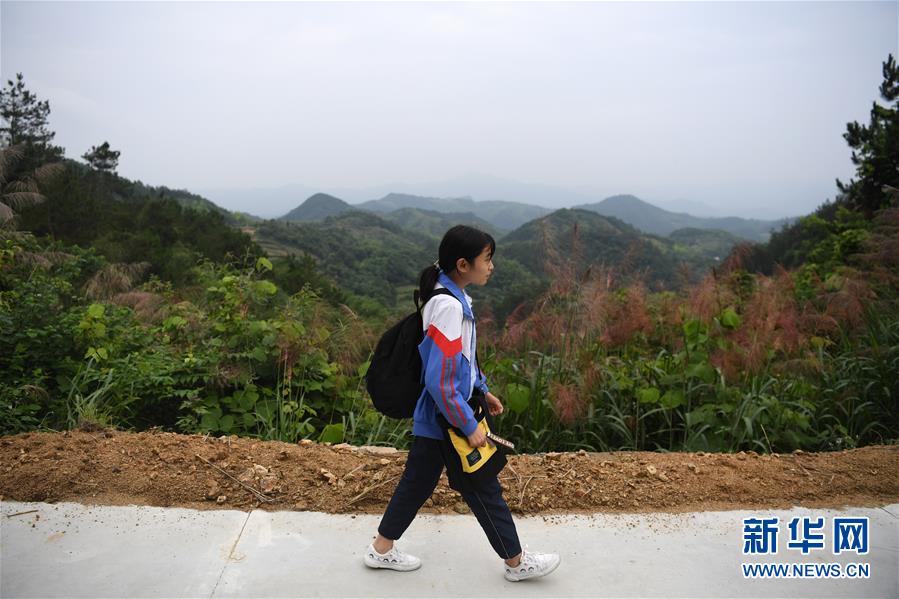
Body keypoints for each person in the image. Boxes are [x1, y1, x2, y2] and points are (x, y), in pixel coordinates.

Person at [363, 224, 561, 582]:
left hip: (440, 414)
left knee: (418, 483)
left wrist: (482, 389)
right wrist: (468, 425)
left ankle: (381, 548)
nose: (492, 266)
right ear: (463, 264)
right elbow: (440, 380)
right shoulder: (448, 307)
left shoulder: (453, 298)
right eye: (487, 259)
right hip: (447, 417)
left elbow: (461, 361)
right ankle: (516, 562)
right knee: (482, 485)